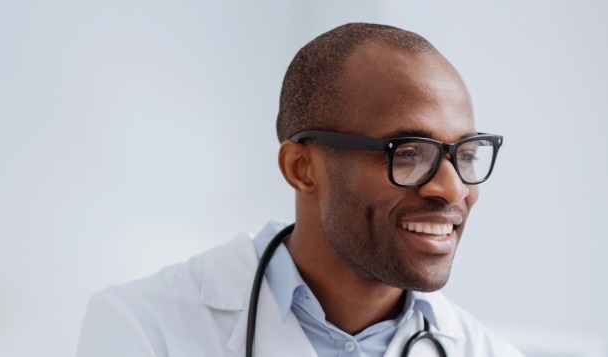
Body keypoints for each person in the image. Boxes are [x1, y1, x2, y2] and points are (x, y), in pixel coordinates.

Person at [77, 23, 523, 356]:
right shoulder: (142, 329)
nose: (451, 188)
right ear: (302, 168)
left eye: (464, 153)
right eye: (407, 152)